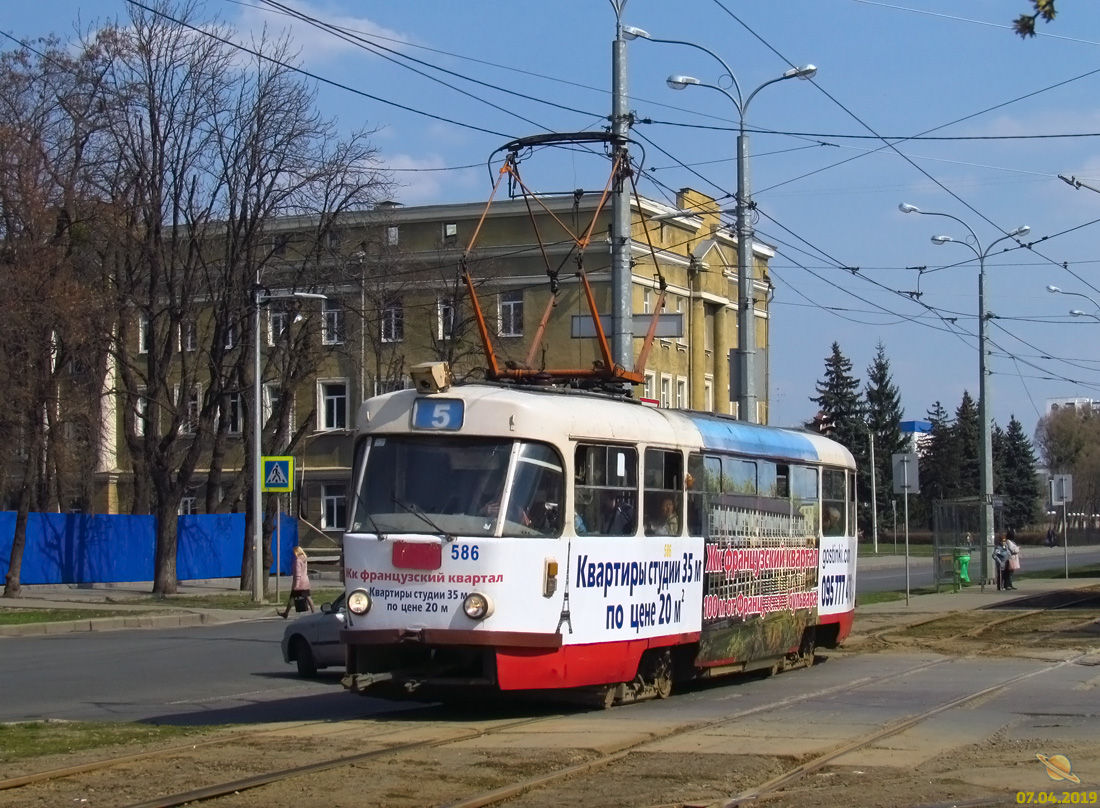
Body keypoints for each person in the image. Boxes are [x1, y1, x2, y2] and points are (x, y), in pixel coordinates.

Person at [278, 545, 315, 618]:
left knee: (292, 598)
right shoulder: (304, 559)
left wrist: (296, 585)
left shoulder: (298, 561)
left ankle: (286, 613)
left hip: (299, 583)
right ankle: (313, 612)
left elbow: (298, 574)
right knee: (308, 597)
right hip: (305, 581)